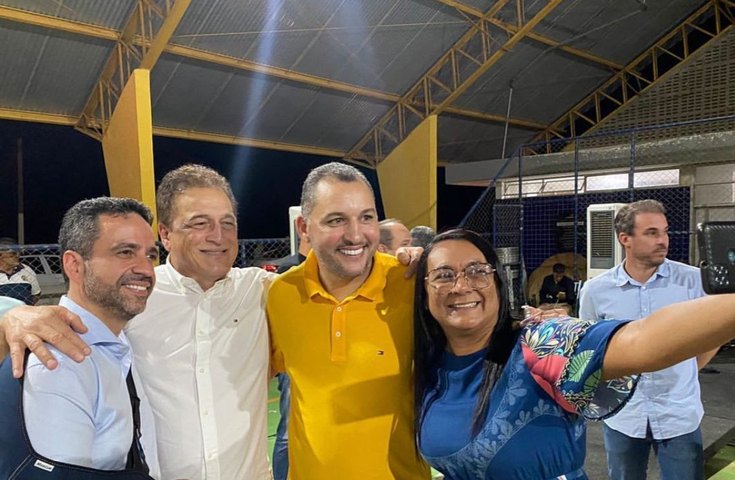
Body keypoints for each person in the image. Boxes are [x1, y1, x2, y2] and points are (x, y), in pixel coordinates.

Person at [413, 222, 735, 480]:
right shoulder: (426, 363)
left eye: (477, 271)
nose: (462, 286)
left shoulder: (542, 343)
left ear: (497, 282)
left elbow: (643, 340)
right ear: (423, 292)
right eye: (443, 275)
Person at [0, 164, 273, 479]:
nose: (218, 236)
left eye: (228, 223)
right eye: (200, 223)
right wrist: (13, 317)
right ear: (167, 234)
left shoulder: (265, 292)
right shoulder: (133, 296)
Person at [267, 162, 431, 478]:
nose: (355, 235)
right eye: (336, 220)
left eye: (366, 217)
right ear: (303, 228)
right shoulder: (280, 295)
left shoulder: (411, 282)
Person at [0, 197, 160, 478]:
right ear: (75, 265)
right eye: (125, 252)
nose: (146, 269)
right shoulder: (58, 361)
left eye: (150, 255)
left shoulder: (112, 346)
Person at [579, 199, 718, 480]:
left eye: (665, 232)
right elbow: (590, 350)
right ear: (625, 239)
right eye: (652, 233)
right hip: (623, 416)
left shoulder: (693, 282)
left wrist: (687, 368)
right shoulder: (596, 290)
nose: (662, 240)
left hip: (678, 414)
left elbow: (714, 334)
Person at [269, 218, 311, 480]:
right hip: (292, 361)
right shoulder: (287, 270)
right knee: (288, 429)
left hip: (314, 362)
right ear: (304, 228)